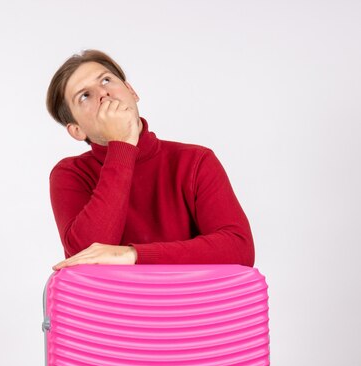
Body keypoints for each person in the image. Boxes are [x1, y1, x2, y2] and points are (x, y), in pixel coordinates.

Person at [46, 50, 255, 271]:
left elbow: (239, 249)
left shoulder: (195, 160)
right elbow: (86, 260)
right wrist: (122, 145)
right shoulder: (70, 174)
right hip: (112, 305)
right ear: (77, 130)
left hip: (192, 303)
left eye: (106, 80)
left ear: (131, 91)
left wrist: (133, 255)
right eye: (84, 95)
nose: (103, 94)